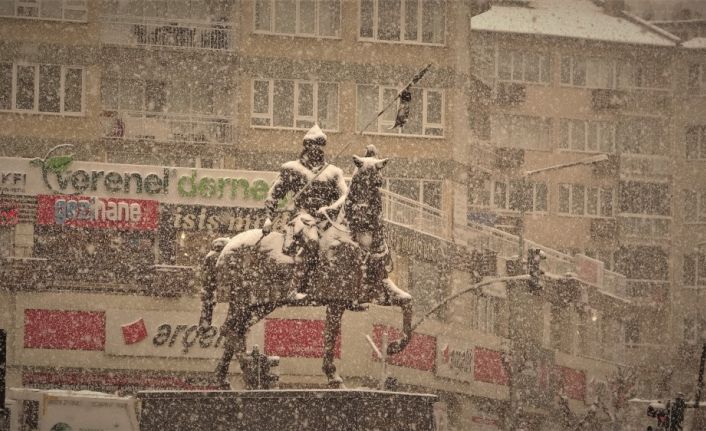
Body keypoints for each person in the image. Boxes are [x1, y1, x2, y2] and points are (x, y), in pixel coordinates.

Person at [263, 124, 348, 298]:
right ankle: (298, 287)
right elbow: (274, 194)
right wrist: (268, 218)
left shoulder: (333, 172)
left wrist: (330, 209)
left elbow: (345, 196)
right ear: (306, 146)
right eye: (312, 143)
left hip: (326, 219)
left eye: (320, 143)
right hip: (302, 216)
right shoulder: (292, 169)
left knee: (348, 246)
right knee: (312, 241)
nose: (316, 147)